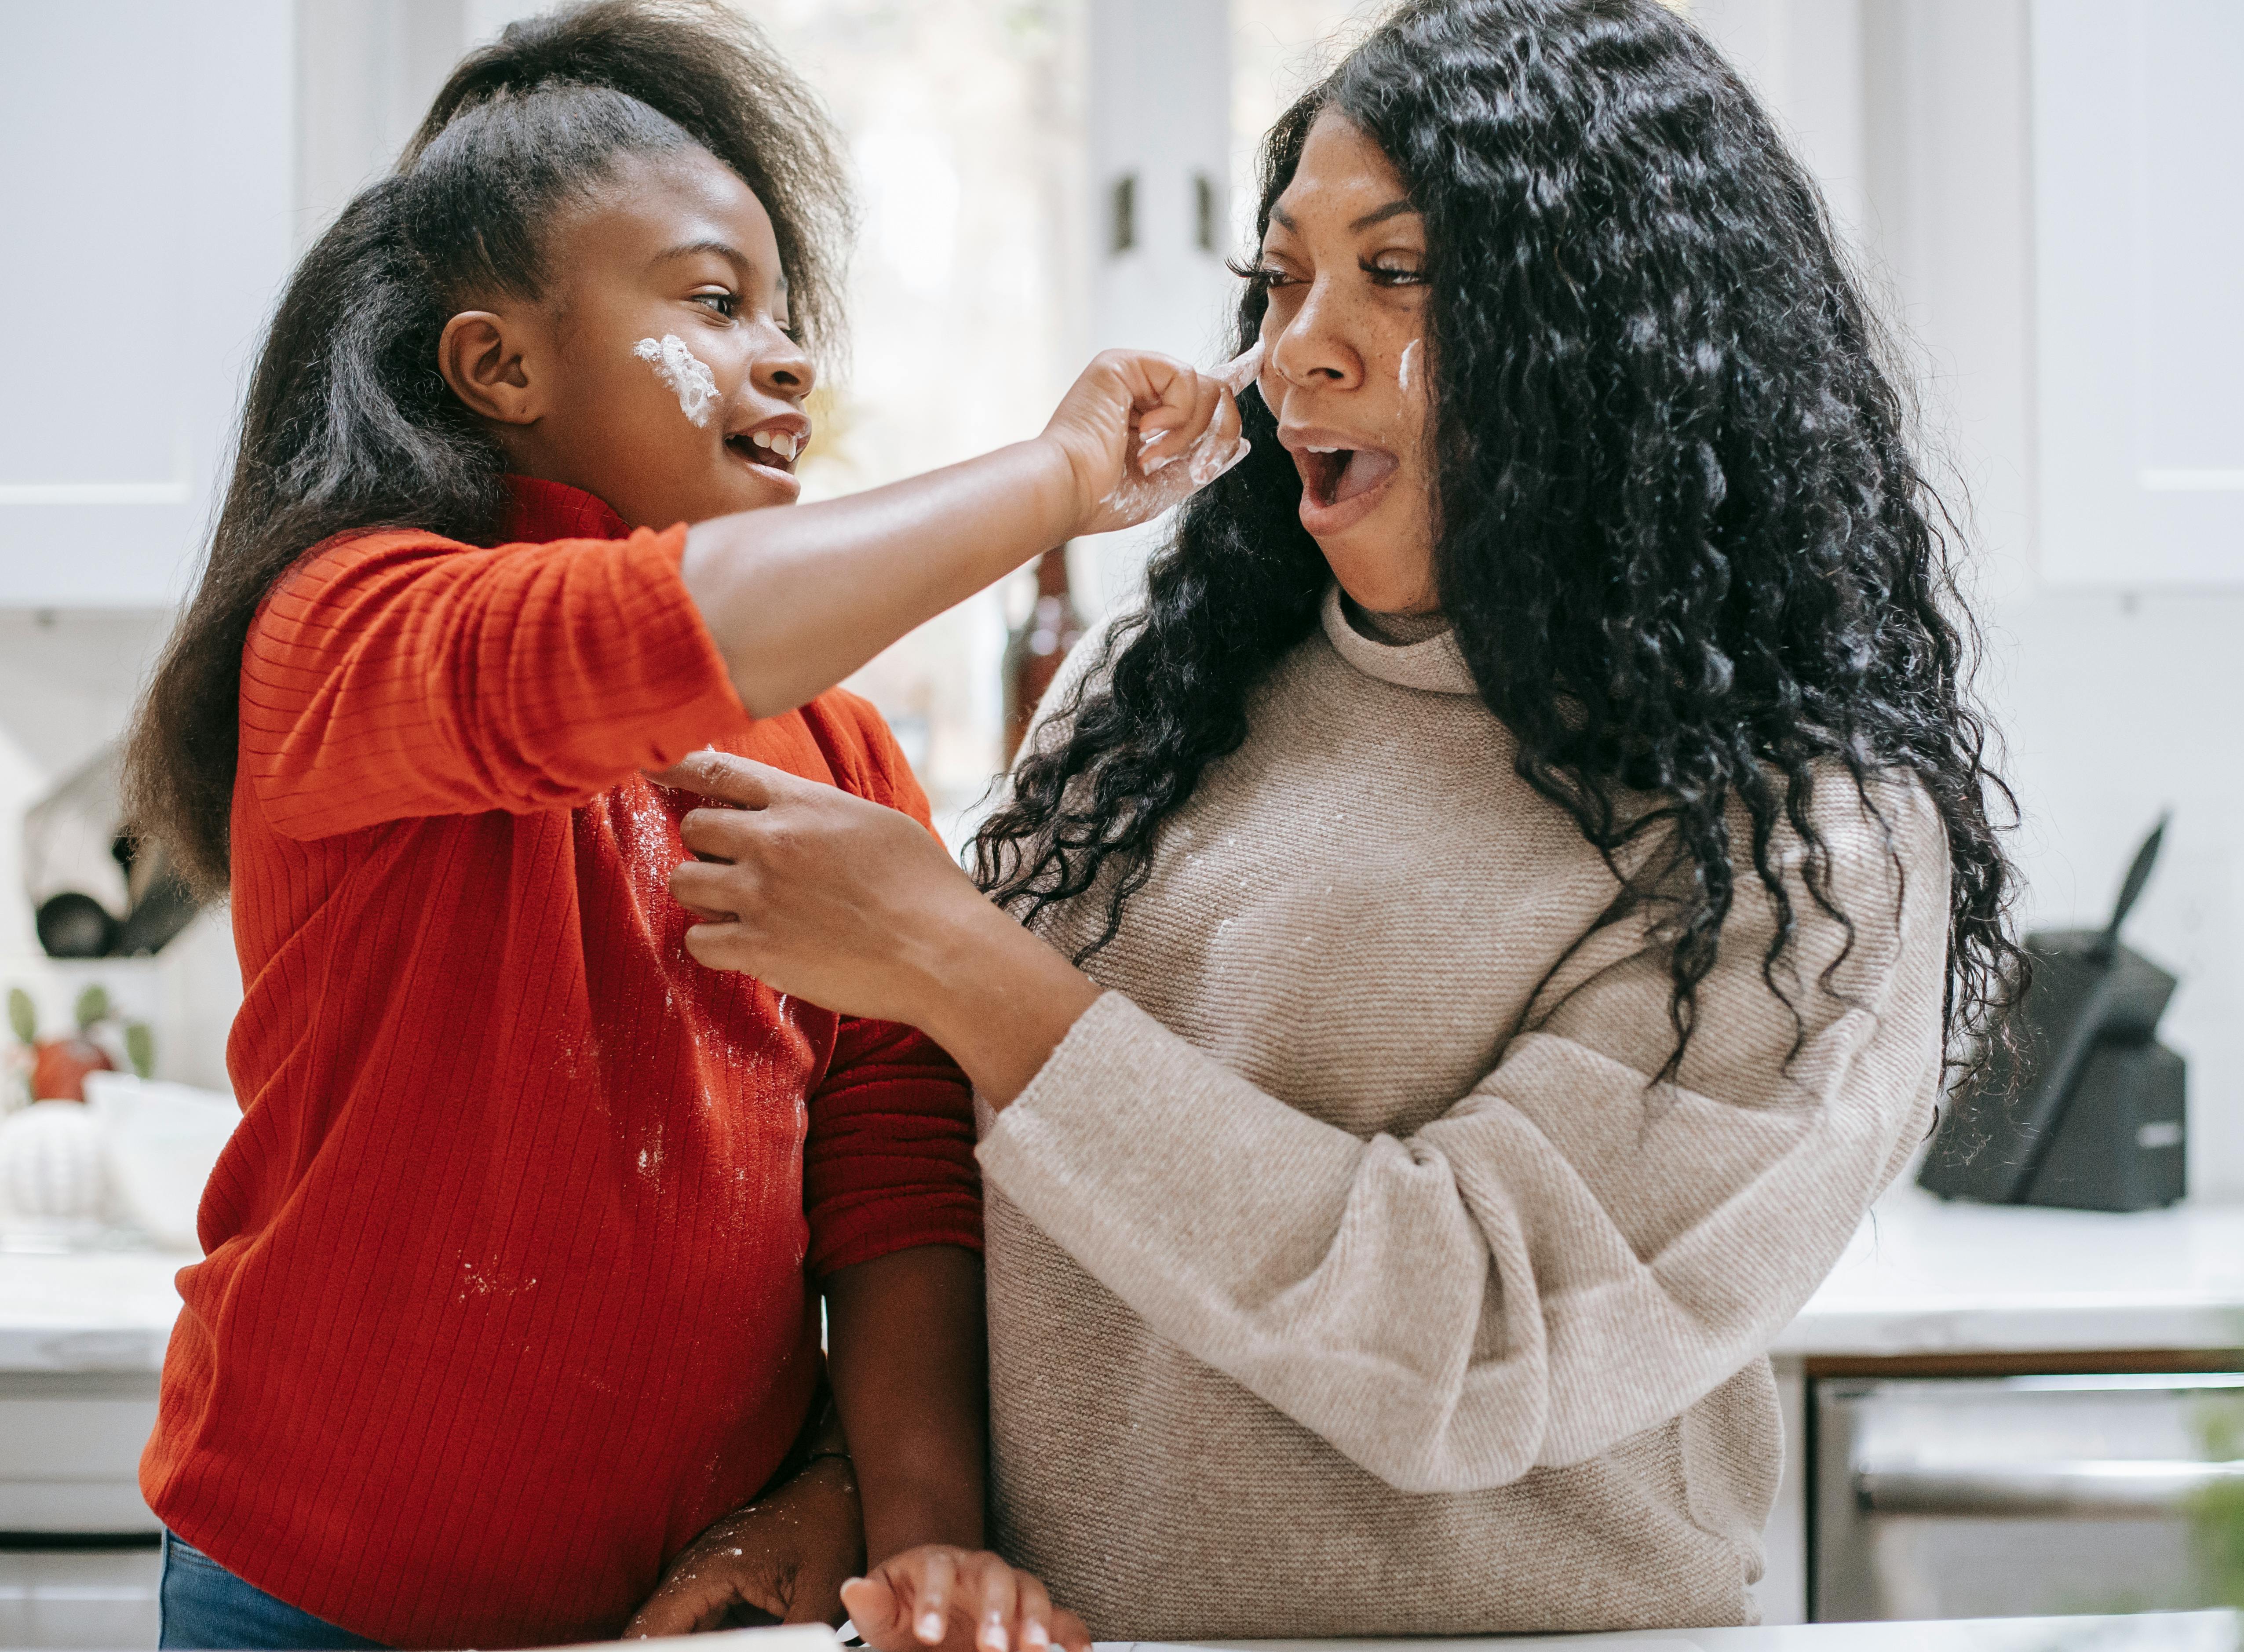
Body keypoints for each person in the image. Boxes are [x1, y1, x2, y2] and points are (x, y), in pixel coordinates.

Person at [643, 0, 2022, 1637]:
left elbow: (1482, 1334)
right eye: (1283, 276)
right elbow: (962, 1181)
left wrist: (959, 963)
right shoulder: (1157, 695)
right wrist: (852, 1480)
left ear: (1613, 331)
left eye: (1399, 272)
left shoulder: (1805, 846)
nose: (1302, 347)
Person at [119, 3, 1244, 1646]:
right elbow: (643, 638)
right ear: (499, 365)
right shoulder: (349, 633)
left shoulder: (842, 748)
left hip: (679, 1610)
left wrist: (912, 1547)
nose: (787, 357)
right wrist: (1060, 474)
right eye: (714, 305)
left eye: (789, 315)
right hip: (310, 1599)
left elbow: (892, 1175)